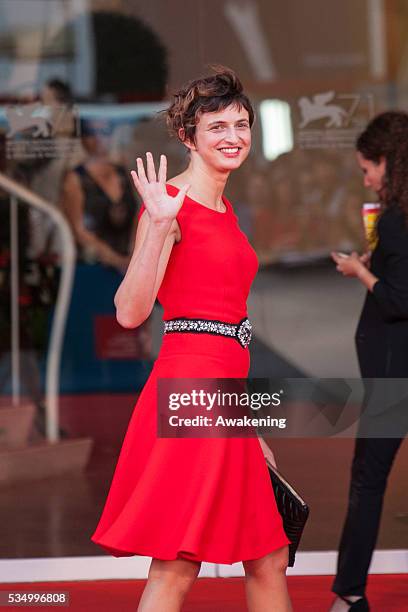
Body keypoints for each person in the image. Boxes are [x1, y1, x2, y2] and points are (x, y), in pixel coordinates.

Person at [91, 67, 292, 611]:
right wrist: (157, 226)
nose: (234, 136)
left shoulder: (225, 209)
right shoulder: (169, 204)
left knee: (268, 552)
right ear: (188, 138)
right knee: (179, 562)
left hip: (224, 389)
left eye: (242, 124)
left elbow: (226, 319)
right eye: (217, 127)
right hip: (193, 384)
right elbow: (130, 313)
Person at [330, 111, 408, 611]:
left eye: (368, 169)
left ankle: (350, 595)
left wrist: (360, 270)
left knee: (367, 480)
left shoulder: (398, 219)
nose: (367, 179)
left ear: (388, 161)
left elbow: (400, 299)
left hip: (394, 374)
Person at [61, 117, 137, 272]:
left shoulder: (121, 171)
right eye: (91, 133)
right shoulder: (75, 179)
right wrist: (117, 261)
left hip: (130, 265)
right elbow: (79, 230)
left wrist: (135, 256)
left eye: (104, 131)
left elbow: (138, 214)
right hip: (93, 268)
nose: (99, 138)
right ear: (82, 139)